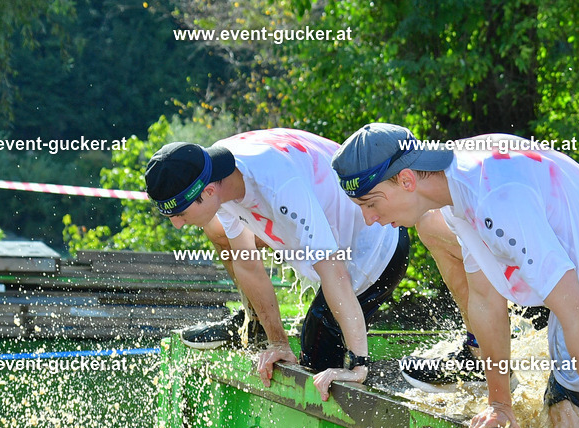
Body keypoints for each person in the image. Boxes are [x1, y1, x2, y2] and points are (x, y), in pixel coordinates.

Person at [332, 124, 579, 428]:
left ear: (406, 180)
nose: (369, 220)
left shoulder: (494, 201)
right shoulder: (454, 187)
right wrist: (500, 404)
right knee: (557, 419)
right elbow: (485, 300)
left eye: (371, 203)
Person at [145, 128, 409, 399]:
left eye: (179, 213)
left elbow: (335, 273)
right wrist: (278, 343)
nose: (177, 224)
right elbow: (247, 263)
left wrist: (358, 364)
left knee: (316, 343)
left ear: (209, 191)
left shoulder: (279, 186)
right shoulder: (212, 171)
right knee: (219, 234)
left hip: (378, 242)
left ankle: (369, 377)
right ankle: (252, 324)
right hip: (331, 227)